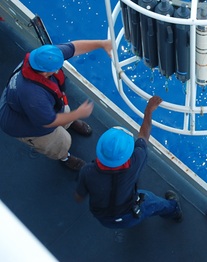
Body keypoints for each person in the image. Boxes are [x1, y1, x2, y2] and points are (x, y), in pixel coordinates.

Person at [0, 39, 111, 171]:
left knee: (64, 111)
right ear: (46, 73)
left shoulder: (42, 58)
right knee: (60, 142)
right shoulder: (34, 96)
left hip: (43, 109)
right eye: (57, 68)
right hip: (27, 125)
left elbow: (73, 48)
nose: (59, 68)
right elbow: (49, 121)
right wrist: (78, 113)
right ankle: (65, 157)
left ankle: (69, 122)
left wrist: (102, 44)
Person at [74, 95, 183, 228]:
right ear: (126, 155)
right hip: (130, 214)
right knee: (155, 202)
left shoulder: (87, 171)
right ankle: (175, 210)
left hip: (104, 219)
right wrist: (148, 110)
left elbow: (79, 196)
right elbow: (144, 135)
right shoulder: (135, 162)